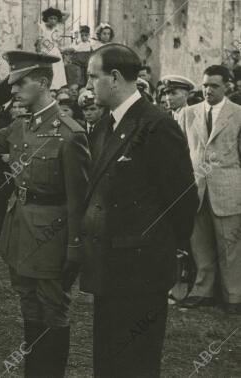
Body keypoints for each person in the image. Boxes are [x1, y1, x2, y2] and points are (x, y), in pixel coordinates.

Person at [0, 50, 89, 377]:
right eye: (10, 83)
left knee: (53, 309)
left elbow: (80, 198)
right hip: (19, 226)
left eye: (20, 82)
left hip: (52, 231)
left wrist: (75, 248)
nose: (14, 89)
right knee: (28, 305)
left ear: (43, 82)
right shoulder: (20, 126)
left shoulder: (70, 132)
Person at [83, 43, 198, 377]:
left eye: (94, 77)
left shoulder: (156, 125)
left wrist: (165, 248)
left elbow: (182, 198)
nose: (88, 86)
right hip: (109, 264)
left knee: (136, 361)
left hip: (141, 269)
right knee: (108, 357)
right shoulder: (108, 124)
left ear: (115, 77)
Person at [177, 65, 241, 314]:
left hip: (228, 189)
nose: (208, 90)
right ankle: (203, 292)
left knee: (230, 246)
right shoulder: (188, 113)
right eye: (204, 85)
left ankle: (233, 295)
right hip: (198, 189)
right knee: (200, 245)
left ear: (227, 86)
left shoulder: (237, 114)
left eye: (214, 85)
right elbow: (181, 154)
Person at [36, 7, 68, 90]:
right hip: (46, 52)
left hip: (55, 52)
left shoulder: (56, 27)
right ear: (46, 18)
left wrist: (57, 12)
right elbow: (39, 41)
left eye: (55, 18)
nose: (53, 20)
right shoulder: (42, 27)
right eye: (51, 18)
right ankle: (48, 88)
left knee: (57, 71)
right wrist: (39, 52)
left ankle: (56, 89)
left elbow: (68, 14)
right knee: (48, 71)